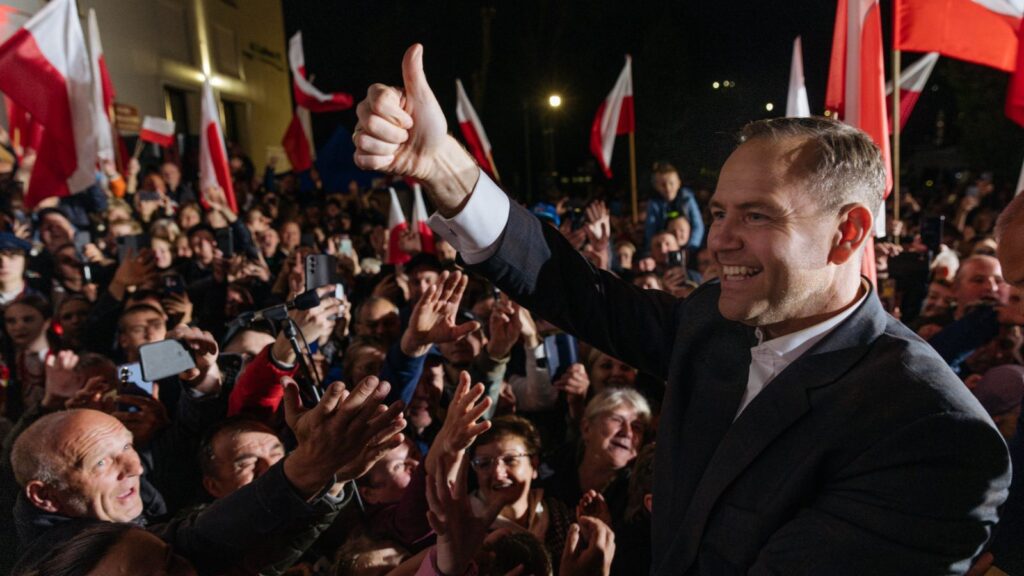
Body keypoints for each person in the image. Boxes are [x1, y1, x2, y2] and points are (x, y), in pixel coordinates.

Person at [353, 45, 1010, 573]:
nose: (719, 239)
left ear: (848, 232)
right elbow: (579, 292)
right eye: (719, 211)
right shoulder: (713, 324)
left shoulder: (935, 437)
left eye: (756, 216)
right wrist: (444, 168)